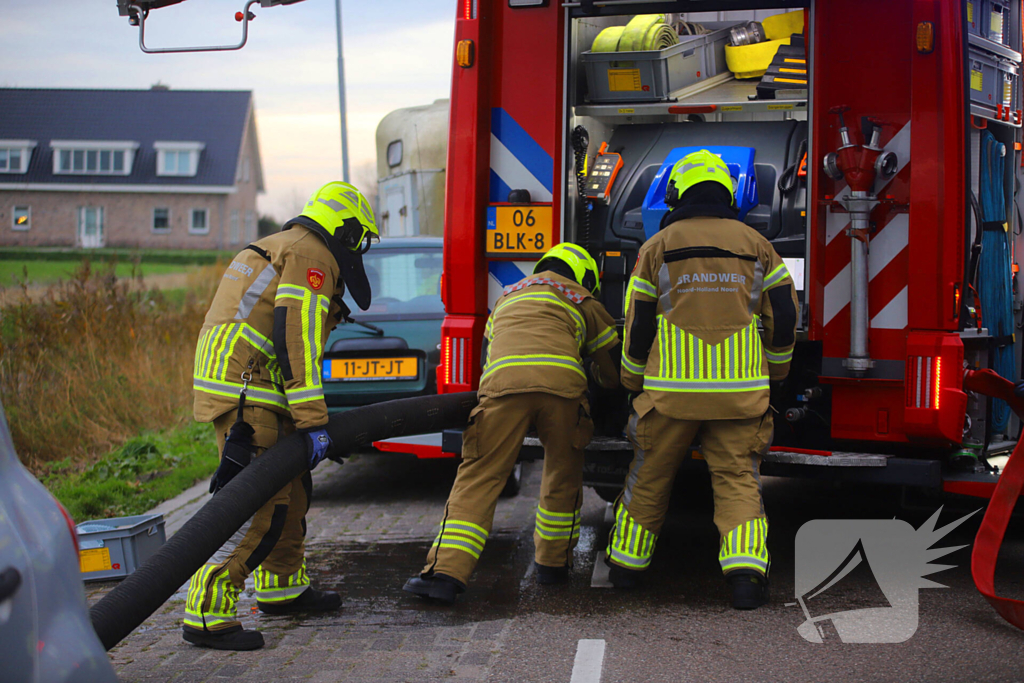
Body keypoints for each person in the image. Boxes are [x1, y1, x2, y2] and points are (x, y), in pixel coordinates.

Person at [183, 181, 379, 650]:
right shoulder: (312, 256)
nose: (359, 251)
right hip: (250, 391)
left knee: (292, 490)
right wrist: (315, 422)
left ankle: (282, 586)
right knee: (260, 505)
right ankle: (207, 610)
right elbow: (297, 338)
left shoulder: (284, 244)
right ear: (347, 230)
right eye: (360, 239)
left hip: (245, 383)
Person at [608, 149, 798, 609]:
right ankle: (746, 578)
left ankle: (627, 571)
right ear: (728, 194)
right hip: (740, 397)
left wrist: (632, 380)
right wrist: (776, 371)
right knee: (738, 481)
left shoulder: (658, 246)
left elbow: (638, 322)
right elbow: (786, 315)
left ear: (677, 193)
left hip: (670, 396)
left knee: (649, 477)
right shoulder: (758, 245)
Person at [404, 243, 621, 603]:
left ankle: (444, 574)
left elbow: (494, 351)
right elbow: (613, 375)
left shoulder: (506, 298)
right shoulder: (584, 301)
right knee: (562, 472)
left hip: (502, 389)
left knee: (480, 475)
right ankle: (553, 565)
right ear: (584, 277)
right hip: (563, 393)